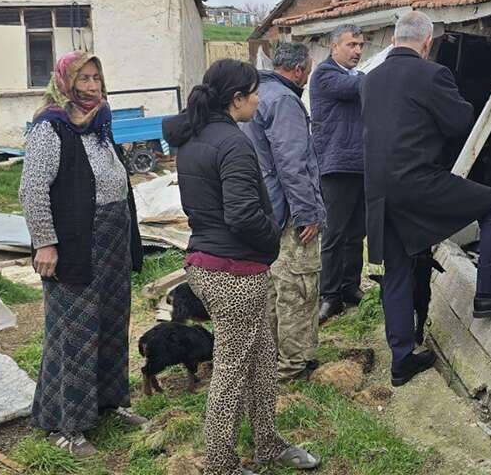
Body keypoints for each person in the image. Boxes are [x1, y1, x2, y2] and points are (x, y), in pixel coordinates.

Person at [163, 59, 320, 475]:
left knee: (262, 357)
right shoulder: (231, 143)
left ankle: (268, 443)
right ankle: (220, 464)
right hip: (233, 270)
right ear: (235, 99)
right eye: (253, 92)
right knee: (232, 370)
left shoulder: (197, 138)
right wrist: (272, 238)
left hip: (211, 261)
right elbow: (243, 214)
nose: (258, 99)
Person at [361, 11, 491, 387]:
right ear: (426, 44)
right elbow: (458, 123)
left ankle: (402, 360)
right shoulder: (432, 74)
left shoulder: (369, 80)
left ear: (393, 40)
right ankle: (489, 292)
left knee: (397, 271)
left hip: (378, 189)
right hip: (418, 181)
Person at [19, 50, 148, 456]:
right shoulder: (50, 128)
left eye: (96, 78)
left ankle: (110, 403)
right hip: (75, 244)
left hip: (111, 240)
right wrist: (45, 242)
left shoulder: (99, 124)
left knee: (112, 323)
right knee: (73, 331)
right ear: (65, 83)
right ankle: (64, 425)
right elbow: (33, 190)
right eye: (83, 79)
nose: (92, 87)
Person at [239, 41, 326, 382]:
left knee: (274, 290)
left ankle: (272, 359)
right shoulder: (286, 101)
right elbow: (292, 164)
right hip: (289, 213)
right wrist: (308, 213)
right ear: (300, 70)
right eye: (308, 69)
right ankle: (292, 365)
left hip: (265, 211)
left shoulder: (257, 95)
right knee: (297, 289)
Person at [310, 24, 367, 323]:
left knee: (356, 232)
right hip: (335, 166)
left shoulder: (358, 76)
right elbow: (356, 89)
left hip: (360, 165)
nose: (358, 51)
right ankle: (329, 296)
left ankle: (350, 287)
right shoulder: (325, 75)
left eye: (361, 45)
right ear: (335, 47)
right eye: (352, 45)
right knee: (334, 234)